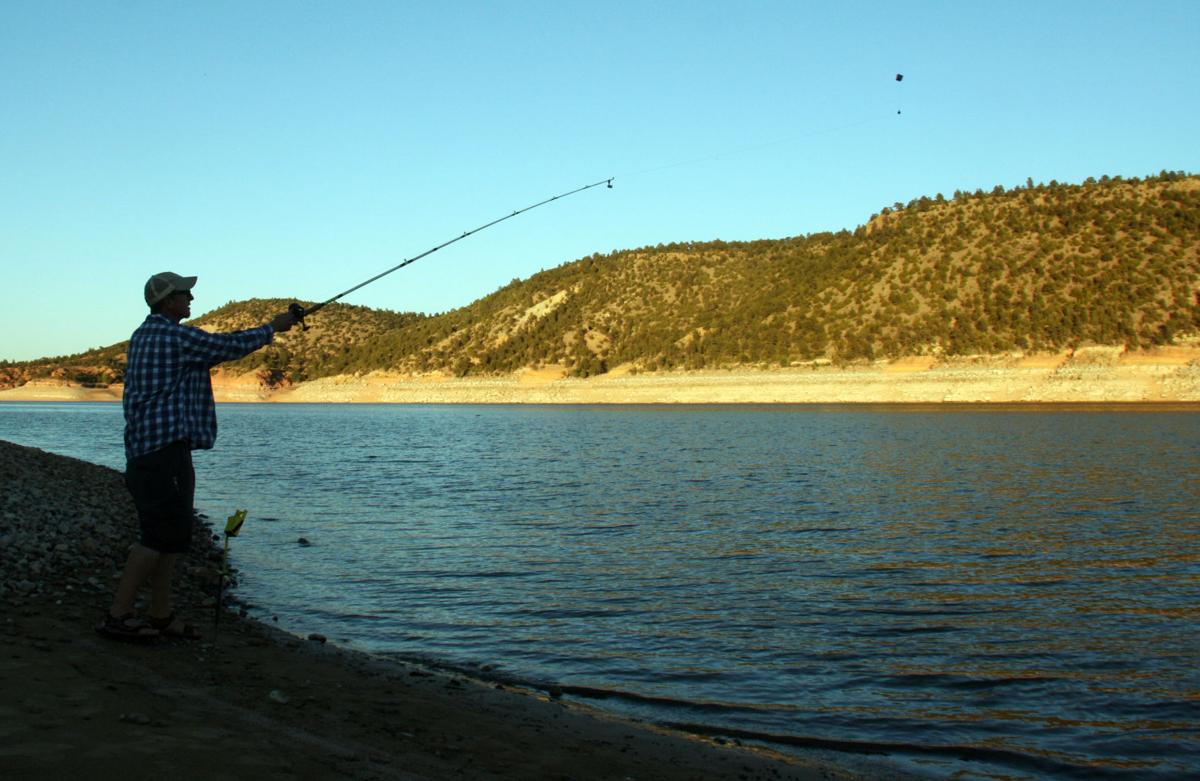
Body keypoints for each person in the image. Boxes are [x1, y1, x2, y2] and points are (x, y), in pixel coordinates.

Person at [97, 271, 296, 641]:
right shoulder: (168, 335)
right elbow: (224, 347)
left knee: (171, 539)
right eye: (185, 294)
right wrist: (274, 327)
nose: (191, 299)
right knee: (155, 537)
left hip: (164, 451)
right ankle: (117, 615)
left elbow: (211, 348)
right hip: (159, 454)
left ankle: (160, 616)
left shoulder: (150, 334)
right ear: (168, 300)